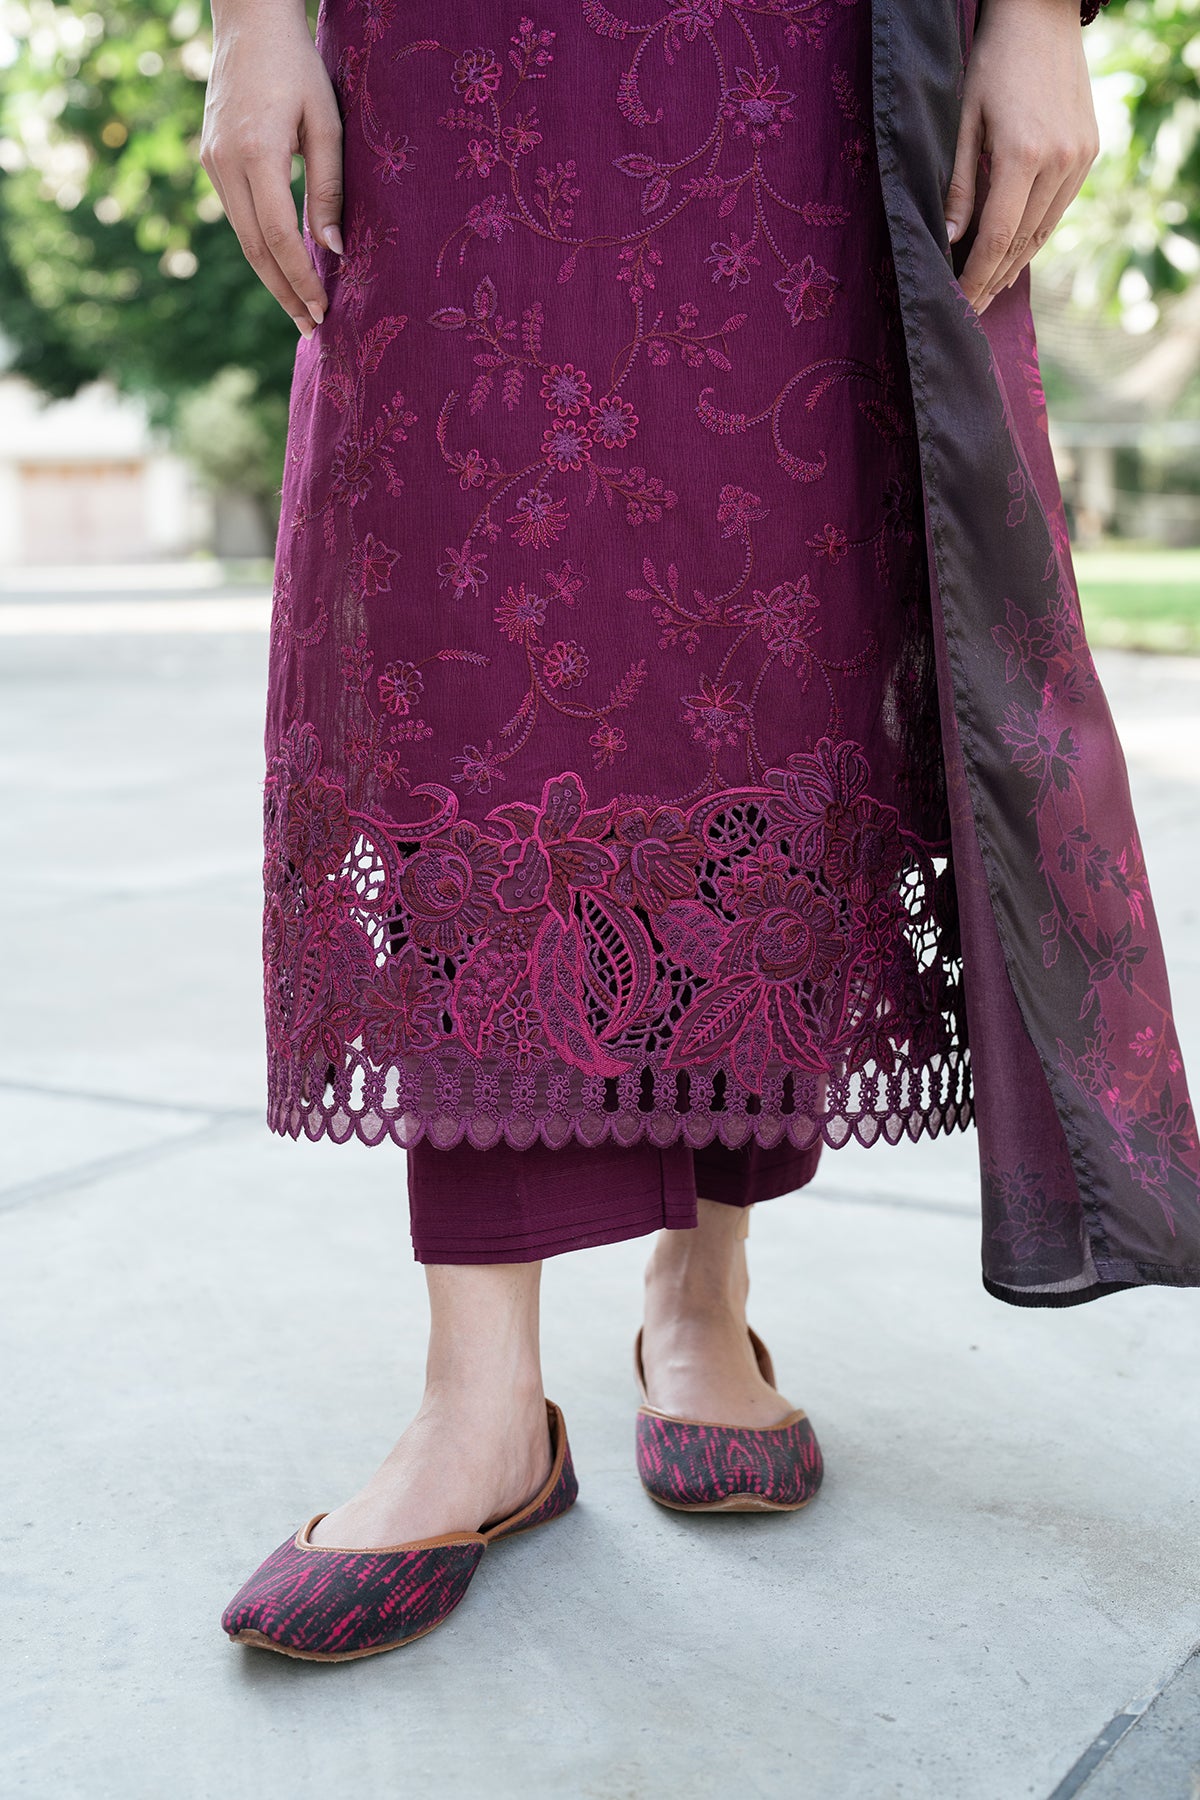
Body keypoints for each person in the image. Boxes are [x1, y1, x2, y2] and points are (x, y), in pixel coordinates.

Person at [202, 0, 1199, 1663]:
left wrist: (1035, 14)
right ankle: (479, 1405)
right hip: (455, 47)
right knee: (471, 624)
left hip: (788, 48)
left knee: (758, 610)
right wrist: (246, 23)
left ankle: (702, 1286)